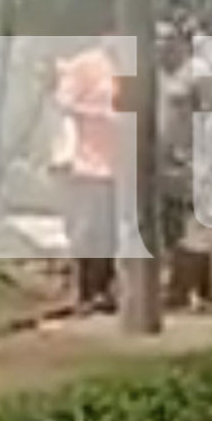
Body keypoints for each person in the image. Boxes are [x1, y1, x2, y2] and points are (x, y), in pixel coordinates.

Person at [158, 20, 212, 311]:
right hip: (161, 163)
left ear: (179, 42)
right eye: (155, 40)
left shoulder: (198, 73)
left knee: (192, 225)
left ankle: (179, 293)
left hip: (193, 160)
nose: (159, 46)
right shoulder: (154, 75)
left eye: (165, 40)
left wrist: (206, 157)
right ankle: (203, 290)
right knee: (173, 228)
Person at [52, 39, 120, 314]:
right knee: (87, 230)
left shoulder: (132, 64)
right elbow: (63, 103)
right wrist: (99, 115)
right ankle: (84, 291)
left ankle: (104, 290)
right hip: (88, 163)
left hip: (120, 164)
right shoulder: (85, 65)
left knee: (111, 232)